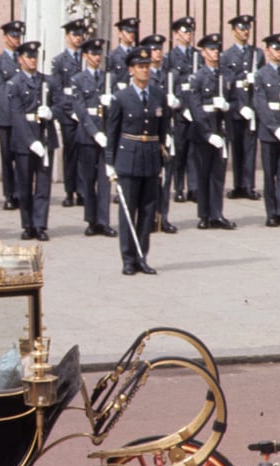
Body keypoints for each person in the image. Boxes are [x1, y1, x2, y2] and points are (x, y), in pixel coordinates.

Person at [105, 46, 167, 276]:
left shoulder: (158, 96)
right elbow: (112, 131)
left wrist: (162, 154)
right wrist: (109, 161)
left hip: (150, 157)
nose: (145, 70)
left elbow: (162, 128)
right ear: (131, 70)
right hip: (128, 158)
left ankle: (142, 256)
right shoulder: (121, 98)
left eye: (147, 66)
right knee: (128, 211)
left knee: (148, 210)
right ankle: (128, 258)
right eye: (140, 67)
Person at [8, 40, 58, 241]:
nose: (33, 60)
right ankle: (28, 224)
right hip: (25, 140)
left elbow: (62, 105)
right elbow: (17, 116)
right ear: (20, 59)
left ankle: (40, 225)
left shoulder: (47, 81)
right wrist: (31, 141)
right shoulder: (15, 83)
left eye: (35, 56)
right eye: (29, 57)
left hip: (45, 135)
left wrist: (51, 112)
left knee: (43, 184)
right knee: (25, 185)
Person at [187, 33, 236, 230]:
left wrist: (227, 107)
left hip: (221, 130)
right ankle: (204, 215)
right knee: (203, 174)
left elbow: (236, 101)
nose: (215, 53)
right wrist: (207, 134)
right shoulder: (198, 77)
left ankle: (217, 214)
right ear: (203, 53)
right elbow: (195, 108)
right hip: (203, 133)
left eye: (217, 49)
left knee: (218, 175)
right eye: (211, 49)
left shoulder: (226, 75)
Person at [70, 38, 116, 238]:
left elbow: (118, 106)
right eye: (93, 54)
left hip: (106, 134)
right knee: (88, 179)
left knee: (105, 180)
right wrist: (94, 132)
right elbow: (80, 110)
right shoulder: (77, 80)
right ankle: (91, 220)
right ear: (85, 56)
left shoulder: (109, 79)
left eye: (99, 54)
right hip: (88, 136)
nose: (97, 58)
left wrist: (111, 102)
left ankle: (103, 221)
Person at [254, 32, 280, 228]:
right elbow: (260, 105)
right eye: (276, 49)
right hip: (269, 132)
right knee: (269, 174)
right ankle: (271, 213)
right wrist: (274, 127)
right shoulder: (261, 75)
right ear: (267, 51)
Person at [222, 15, 263, 202]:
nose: (245, 32)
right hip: (235, 108)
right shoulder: (227, 56)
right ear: (233, 31)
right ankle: (238, 185)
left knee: (250, 147)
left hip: (252, 107)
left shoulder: (257, 54)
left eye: (247, 28)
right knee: (236, 147)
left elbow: (262, 83)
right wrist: (239, 106)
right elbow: (228, 85)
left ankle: (249, 185)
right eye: (241, 28)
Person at [142, 33, 179, 233]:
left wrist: (177, 102)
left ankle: (162, 217)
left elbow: (183, 96)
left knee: (166, 179)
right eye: (154, 49)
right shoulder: (144, 76)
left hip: (168, 129)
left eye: (159, 49)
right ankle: (148, 218)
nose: (157, 53)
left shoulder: (169, 74)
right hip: (151, 133)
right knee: (151, 179)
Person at [52, 19, 86, 208]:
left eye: (80, 34)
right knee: (70, 153)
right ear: (67, 37)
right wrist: (71, 110)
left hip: (84, 115)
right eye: (74, 34)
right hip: (68, 115)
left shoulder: (86, 59)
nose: (78, 38)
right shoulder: (59, 61)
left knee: (84, 152)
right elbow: (58, 91)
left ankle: (82, 190)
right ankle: (69, 191)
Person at [0, 21, 25, 211]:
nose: (16, 40)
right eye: (12, 36)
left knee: (22, 157)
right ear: (5, 37)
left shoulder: (23, 59)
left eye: (18, 36)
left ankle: (21, 192)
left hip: (21, 117)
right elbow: (1, 92)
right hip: (6, 118)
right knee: (7, 158)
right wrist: (15, 113)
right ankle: (9, 194)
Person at [168, 16, 200, 204]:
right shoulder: (170, 58)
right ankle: (179, 187)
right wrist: (178, 104)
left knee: (194, 151)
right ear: (176, 34)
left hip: (194, 110)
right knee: (180, 151)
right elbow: (170, 84)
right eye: (184, 32)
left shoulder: (197, 55)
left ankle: (193, 188)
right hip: (179, 111)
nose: (188, 35)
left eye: (190, 32)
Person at [108, 18, 140, 87]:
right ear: (120, 34)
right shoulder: (113, 55)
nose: (132, 34)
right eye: (128, 32)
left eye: (133, 32)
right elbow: (110, 79)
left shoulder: (138, 53)